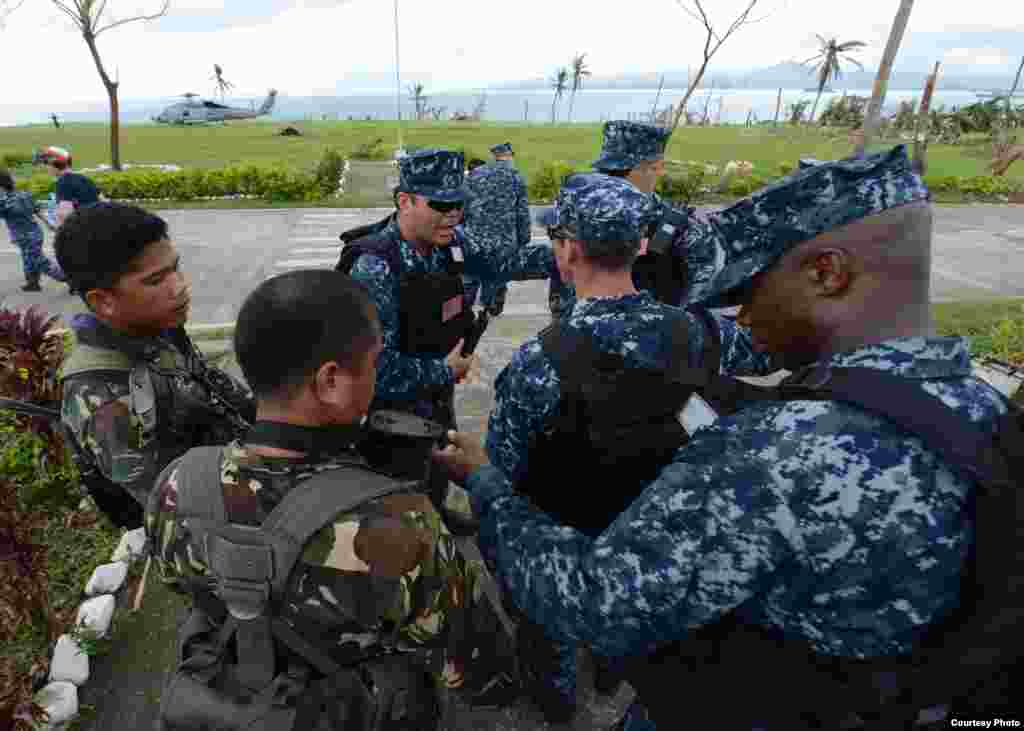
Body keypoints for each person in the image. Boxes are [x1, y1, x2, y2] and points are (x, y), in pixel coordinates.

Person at [436, 145, 1013, 729]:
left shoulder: (780, 450)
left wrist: (485, 486)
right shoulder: (980, 410)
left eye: (749, 286)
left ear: (826, 273)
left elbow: (600, 601)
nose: (744, 315)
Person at [145, 270, 518, 730]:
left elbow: (188, 588)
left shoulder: (180, 482)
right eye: (374, 362)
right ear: (330, 381)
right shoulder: (400, 524)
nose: (377, 375)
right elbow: (480, 671)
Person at [485, 172, 780, 723]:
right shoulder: (699, 333)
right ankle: (612, 669)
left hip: (572, 547)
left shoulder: (537, 364)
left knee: (548, 639)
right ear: (639, 245)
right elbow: (766, 351)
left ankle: (558, 704)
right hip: (658, 546)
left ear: (567, 250)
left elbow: (504, 470)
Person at [336, 147, 554, 510]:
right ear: (405, 201)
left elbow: (503, 261)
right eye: (440, 205)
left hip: (434, 395)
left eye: (459, 204)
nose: (453, 215)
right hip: (390, 416)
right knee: (400, 502)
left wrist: (574, 252)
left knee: (436, 469)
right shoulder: (376, 267)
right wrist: (444, 369)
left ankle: (438, 517)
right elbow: (373, 370)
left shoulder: (450, 242)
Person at [56, 202, 254, 529]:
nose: (179, 286)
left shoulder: (155, 330)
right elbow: (181, 512)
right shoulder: (105, 400)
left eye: (176, 268)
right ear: (103, 301)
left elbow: (213, 388)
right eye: (155, 280)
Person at [462, 142, 532, 318]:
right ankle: (488, 310)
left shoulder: (475, 174)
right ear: (509, 156)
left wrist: (461, 232)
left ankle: (463, 310)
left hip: (474, 238)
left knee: (470, 278)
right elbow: (522, 212)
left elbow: (463, 206)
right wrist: (524, 239)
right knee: (495, 277)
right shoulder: (516, 177)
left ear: (495, 156)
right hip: (504, 241)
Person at [0, 169, 67, 292]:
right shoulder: (24, 194)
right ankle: (32, 283)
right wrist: (49, 224)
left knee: (37, 260)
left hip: (23, 236)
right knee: (28, 257)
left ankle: (68, 278)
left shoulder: (3, 201)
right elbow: (38, 210)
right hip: (36, 232)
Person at [41, 146, 100, 227]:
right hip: (95, 225)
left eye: (46, 163)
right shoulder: (85, 179)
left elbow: (65, 214)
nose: (45, 167)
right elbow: (101, 201)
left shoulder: (63, 182)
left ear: (55, 164)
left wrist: (57, 228)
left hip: (80, 229)